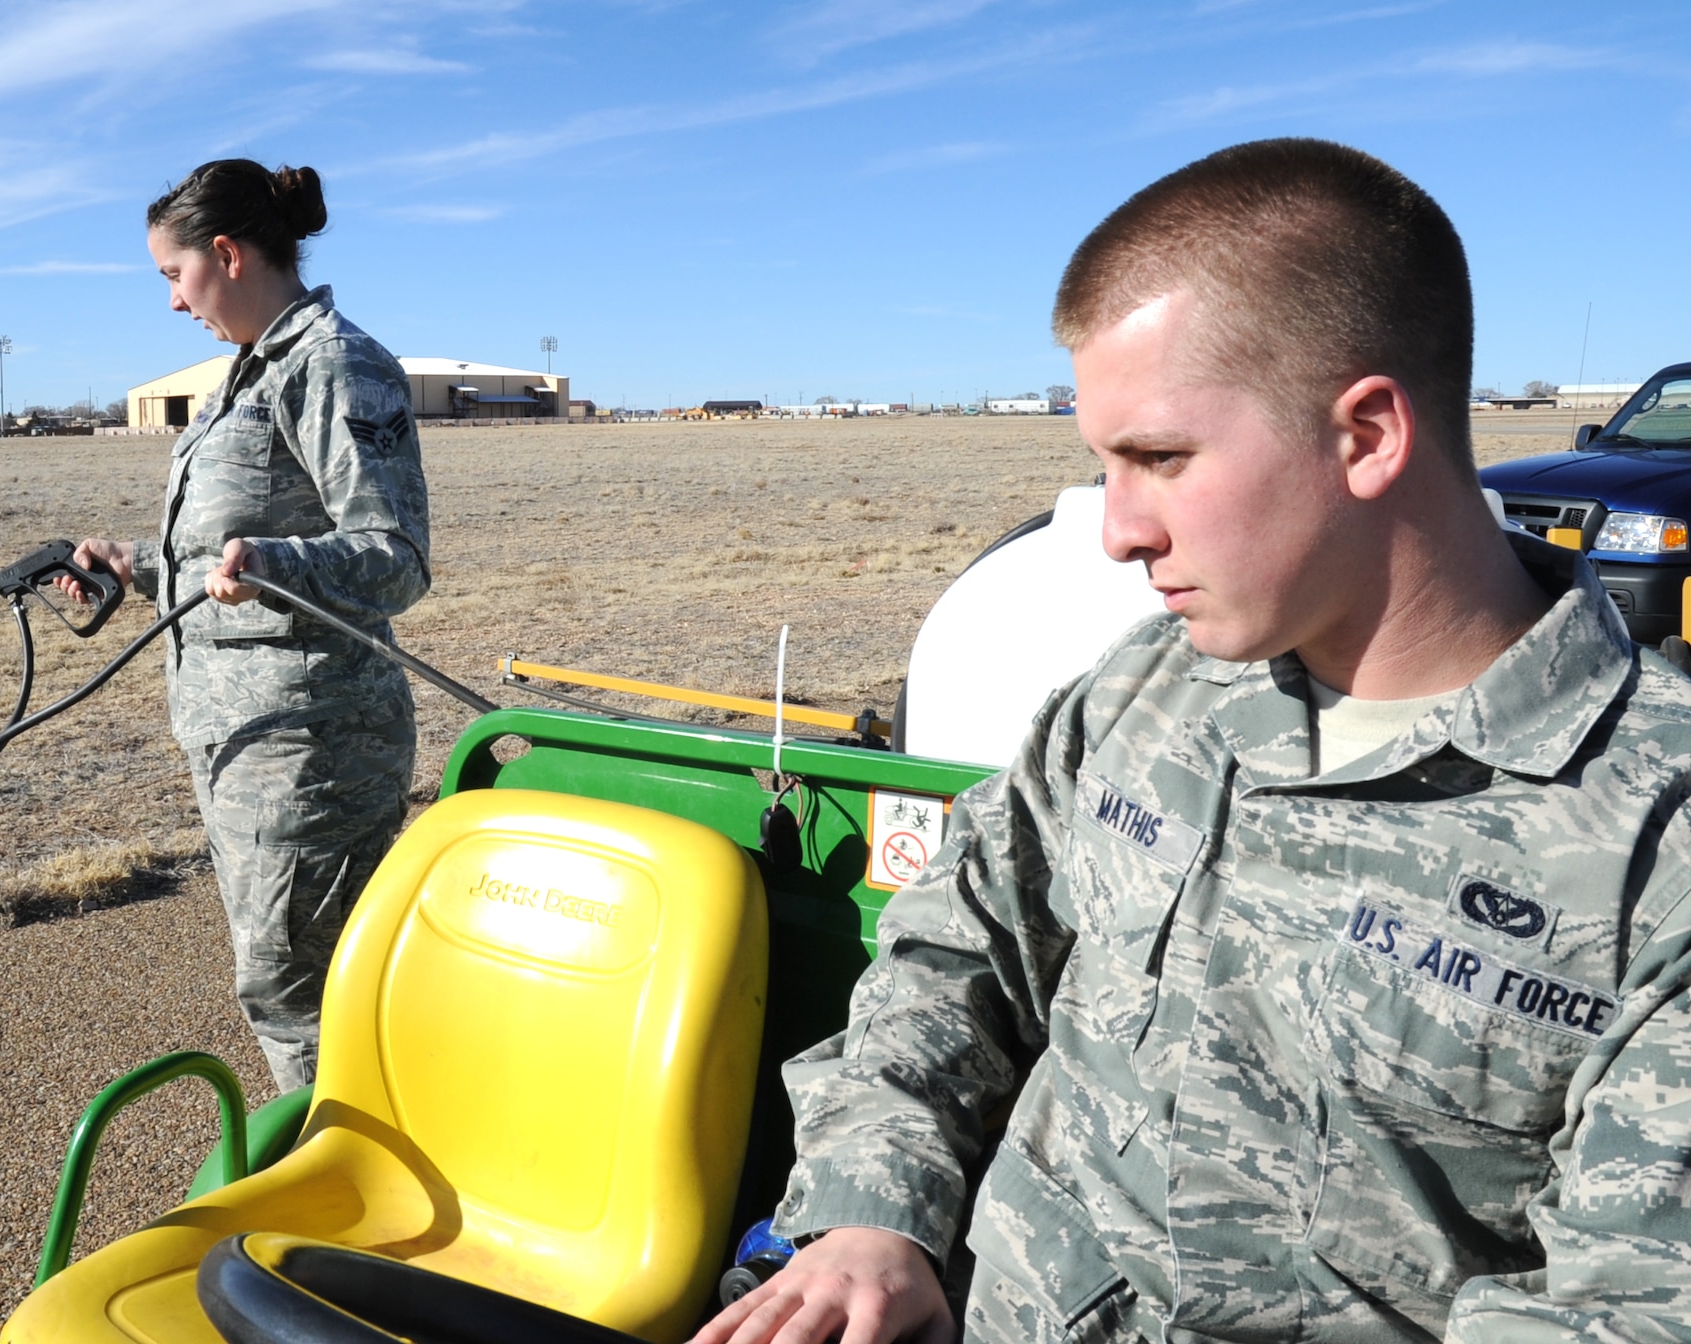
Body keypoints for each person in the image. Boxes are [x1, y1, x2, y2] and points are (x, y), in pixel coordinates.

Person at [695, 138, 1691, 1344]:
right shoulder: (1141, 692)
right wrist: (874, 1218)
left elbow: (1630, 1312)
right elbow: (955, 951)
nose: (1115, 532)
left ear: (1367, 433)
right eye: (1102, 466)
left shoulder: (1656, 845)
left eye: (1157, 458)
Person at [62, 159, 430, 1092]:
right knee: (287, 982)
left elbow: (394, 556)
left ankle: (344, 1196)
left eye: (172, 276)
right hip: (237, 735)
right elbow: (228, 552)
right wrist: (131, 565)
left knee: (299, 991)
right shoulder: (248, 375)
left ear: (225, 254)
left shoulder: (333, 365)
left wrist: (273, 568)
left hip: (315, 745)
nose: (174, 304)